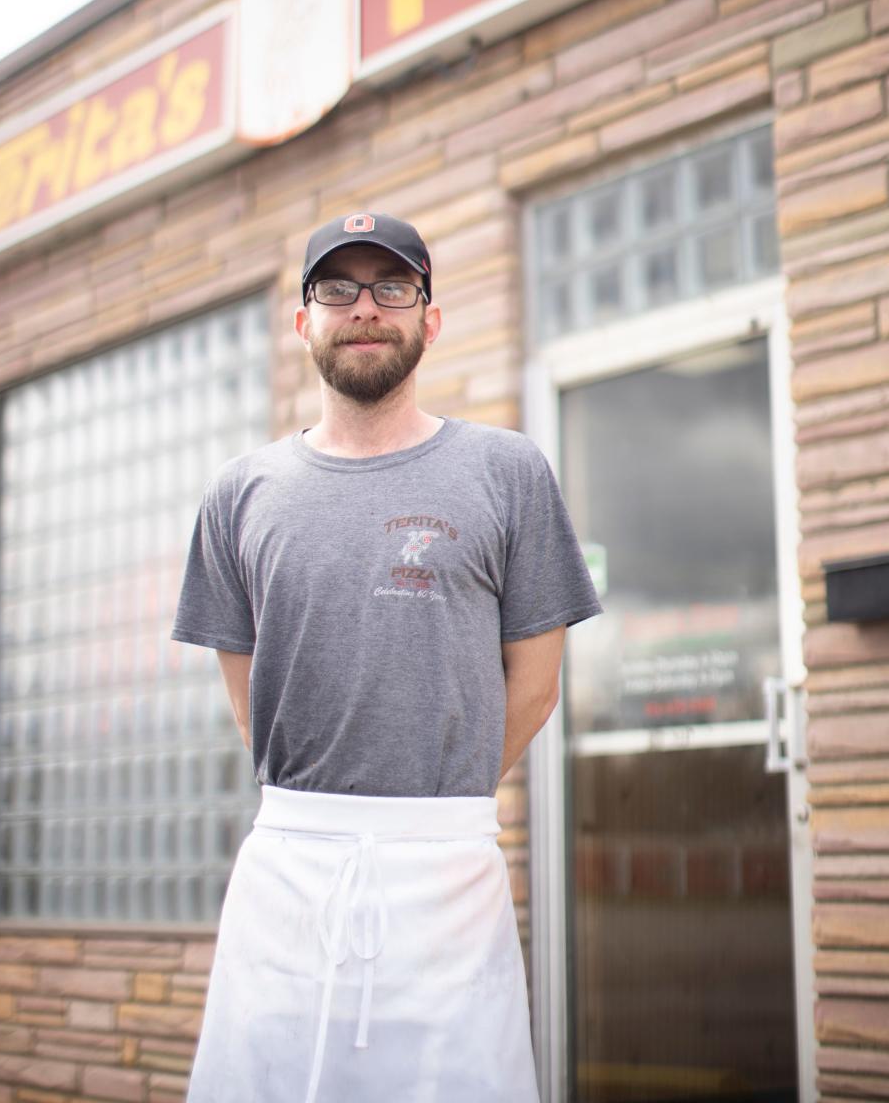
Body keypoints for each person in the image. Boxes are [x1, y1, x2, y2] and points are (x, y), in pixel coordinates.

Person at [171, 210, 602, 1103]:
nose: (365, 307)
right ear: (303, 321)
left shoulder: (507, 470)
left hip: (449, 867)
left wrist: (431, 797)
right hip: (287, 867)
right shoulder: (239, 493)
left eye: (392, 287)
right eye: (337, 287)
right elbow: (253, 697)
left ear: (429, 318)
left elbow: (537, 683)